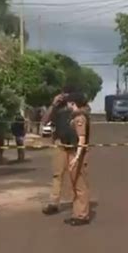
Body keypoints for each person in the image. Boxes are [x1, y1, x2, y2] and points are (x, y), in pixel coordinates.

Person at [41, 86, 76, 215]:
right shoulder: (57, 108)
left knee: (75, 174)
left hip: (75, 144)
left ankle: (77, 202)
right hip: (59, 142)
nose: (64, 96)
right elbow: (44, 121)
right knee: (57, 174)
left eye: (66, 94)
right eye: (62, 94)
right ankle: (54, 203)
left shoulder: (77, 106)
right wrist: (53, 104)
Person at [63, 92, 91, 226]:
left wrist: (77, 157)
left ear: (73, 103)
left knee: (80, 186)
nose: (67, 105)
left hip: (77, 154)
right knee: (74, 185)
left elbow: (82, 138)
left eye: (68, 102)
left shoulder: (80, 118)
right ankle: (76, 213)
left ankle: (82, 215)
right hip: (72, 152)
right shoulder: (74, 117)